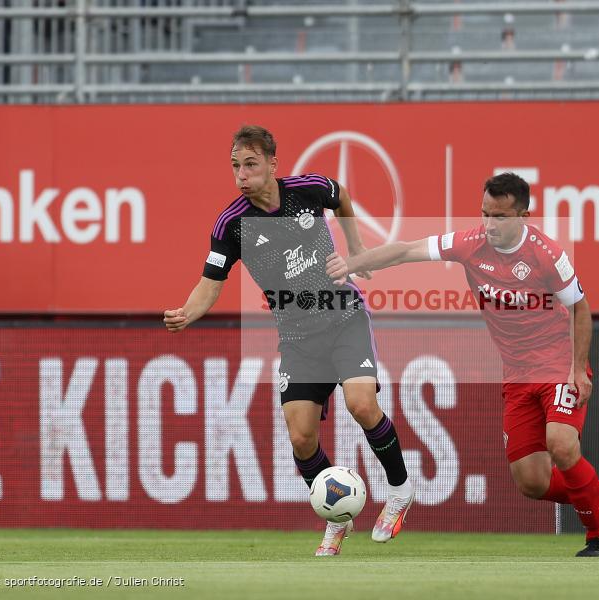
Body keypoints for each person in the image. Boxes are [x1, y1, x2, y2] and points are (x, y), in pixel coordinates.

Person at [326, 172, 599, 557]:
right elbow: (405, 250)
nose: (489, 224)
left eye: (500, 217)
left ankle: (598, 538)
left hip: (556, 365)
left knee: (561, 444)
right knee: (532, 482)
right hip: (518, 376)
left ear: (523, 215)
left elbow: (581, 309)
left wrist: (578, 368)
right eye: (485, 214)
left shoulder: (547, 254)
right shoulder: (470, 243)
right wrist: (352, 263)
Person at [163, 125, 414, 557]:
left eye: (251, 165)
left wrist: (356, 252)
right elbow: (211, 282)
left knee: (361, 404)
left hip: (343, 318)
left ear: (273, 164)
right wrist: (188, 312)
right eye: (235, 167)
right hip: (297, 338)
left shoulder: (309, 189)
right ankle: (338, 517)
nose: (242, 175)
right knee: (301, 438)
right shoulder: (231, 224)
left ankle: (399, 491)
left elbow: (343, 195)